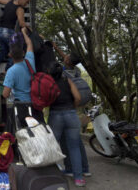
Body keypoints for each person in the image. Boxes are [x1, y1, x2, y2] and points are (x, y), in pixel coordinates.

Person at [51, 42, 91, 178]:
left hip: (65, 107)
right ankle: (84, 169)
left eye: (66, 56)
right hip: (75, 108)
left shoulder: (63, 73)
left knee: (66, 142)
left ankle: (70, 169)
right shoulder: (77, 71)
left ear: (67, 60)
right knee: (77, 142)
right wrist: (57, 48)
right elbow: (68, 59)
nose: (64, 56)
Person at [46, 61, 86, 187]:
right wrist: (72, 108)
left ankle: (50, 177)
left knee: (52, 146)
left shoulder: (50, 84)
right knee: (74, 147)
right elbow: (78, 98)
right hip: (71, 115)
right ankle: (78, 178)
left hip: (55, 116)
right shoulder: (68, 81)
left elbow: (47, 101)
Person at [2, 28, 44, 130]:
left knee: (25, 133)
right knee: (38, 132)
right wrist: (24, 32)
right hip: (35, 104)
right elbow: (29, 44)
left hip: (21, 107)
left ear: (10, 55)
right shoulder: (30, 61)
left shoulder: (11, 71)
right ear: (23, 53)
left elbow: (5, 94)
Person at [0, 0, 31, 77]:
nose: (26, 4)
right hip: (8, 32)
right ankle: (6, 71)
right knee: (15, 50)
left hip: (0, 31)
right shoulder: (20, 9)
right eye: (26, 2)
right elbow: (21, 23)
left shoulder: (9, 2)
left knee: (4, 51)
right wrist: (31, 30)